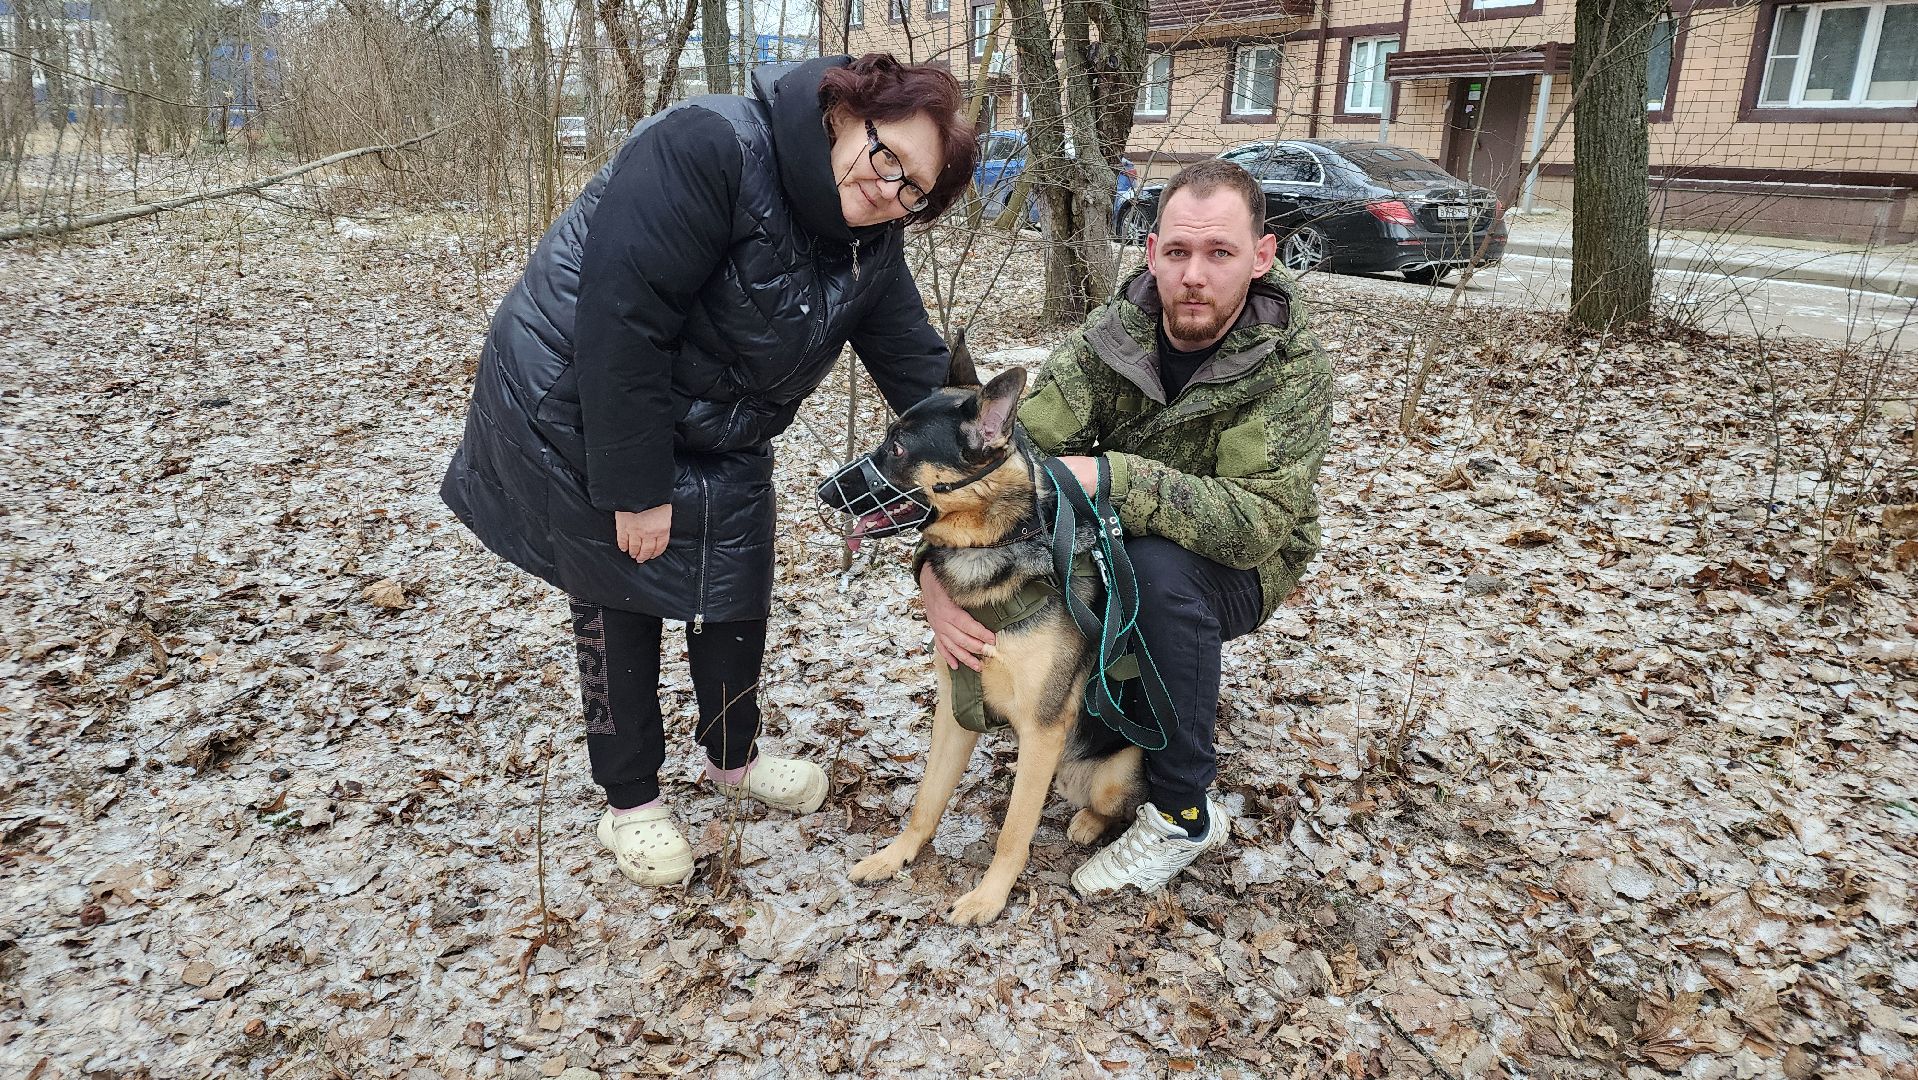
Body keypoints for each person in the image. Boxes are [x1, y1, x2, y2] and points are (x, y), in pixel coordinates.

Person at [441, 54, 977, 887]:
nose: (890, 191)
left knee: (735, 577)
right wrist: (637, 487)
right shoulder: (709, 147)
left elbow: (919, 368)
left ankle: (731, 756)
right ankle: (631, 802)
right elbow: (623, 320)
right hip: (584, 393)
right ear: (844, 113)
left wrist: (997, 467)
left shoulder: (872, 244)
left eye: (914, 188)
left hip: (719, 421)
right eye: (887, 158)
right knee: (623, 583)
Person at [919, 159, 1333, 896]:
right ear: (1151, 252)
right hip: (1116, 535)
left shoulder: (1289, 366)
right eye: (1177, 252)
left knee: (1155, 574)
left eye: (1220, 253)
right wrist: (931, 574)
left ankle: (1181, 809)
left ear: (1262, 256)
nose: (1194, 275)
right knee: (1101, 570)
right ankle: (1106, 715)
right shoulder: (1113, 336)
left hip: (1244, 563)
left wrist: (1113, 477)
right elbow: (1012, 462)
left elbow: (1256, 525)